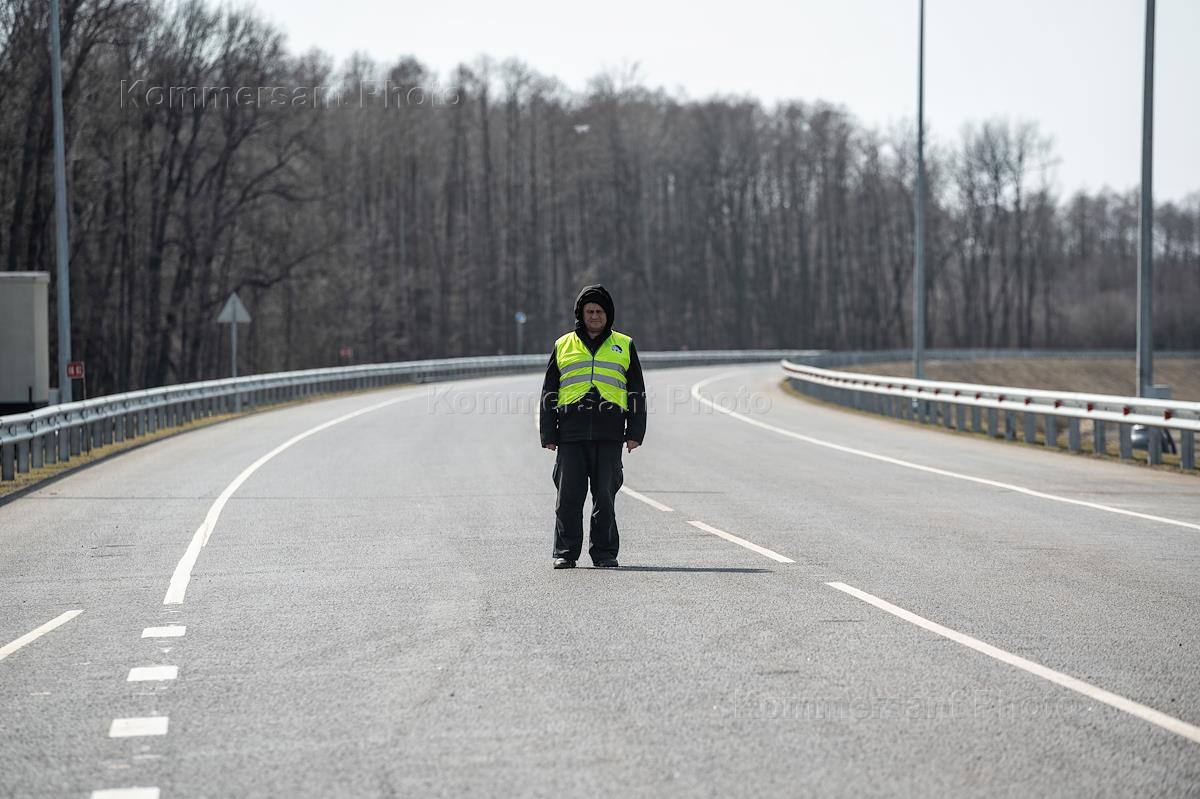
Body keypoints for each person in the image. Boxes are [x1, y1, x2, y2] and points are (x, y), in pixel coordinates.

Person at [540, 284, 647, 569]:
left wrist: (635, 432)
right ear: (581, 314)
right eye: (590, 311)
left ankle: (604, 553)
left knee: (605, 498)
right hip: (571, 434)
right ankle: (565, 552)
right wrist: (548, 433)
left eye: (599, 311)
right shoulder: (563, 345)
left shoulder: (624, 344)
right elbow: (549, 391)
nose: (595, 316)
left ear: (608, 314)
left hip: (610, 433)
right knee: (568, 499)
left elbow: (636, 391)